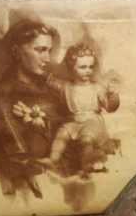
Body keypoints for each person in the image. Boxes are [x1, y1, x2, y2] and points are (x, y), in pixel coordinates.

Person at [0, 19, 65, 198]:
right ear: (16, 52)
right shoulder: (1, 98)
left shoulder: (51, 89)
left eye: (49, 51)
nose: (47, 59)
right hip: (34, 189)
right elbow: (18, 162)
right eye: (40, 50)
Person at [39, 43, 120, 178]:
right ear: (72, 68)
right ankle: (52, 159)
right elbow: (51, 81)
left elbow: (110, 107)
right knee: (61, 133)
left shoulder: (97, 88)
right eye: (82, 67)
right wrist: (43, 73)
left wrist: (113, 95)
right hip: (75, 124)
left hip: (93, 124)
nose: (88, 70)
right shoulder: (66, 86)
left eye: (91, 66)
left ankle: (86, 166)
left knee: (86, 139)